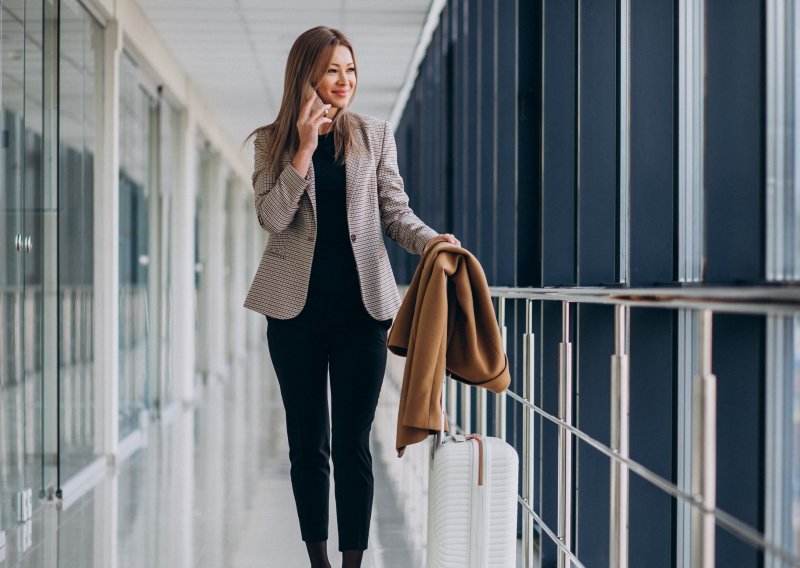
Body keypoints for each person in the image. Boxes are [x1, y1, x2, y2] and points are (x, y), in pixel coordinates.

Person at [243, 25, 459, 568]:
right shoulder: (272, 142)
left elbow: (394, 212)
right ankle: (318, 561)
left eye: (352, 69)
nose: (346, 80)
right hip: (294, 315)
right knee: (307, 443)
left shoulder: (375, 135)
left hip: (363, 313)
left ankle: (354, 563)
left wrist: (431, 239)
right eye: (334, 70)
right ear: (308, 75)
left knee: (354, 444)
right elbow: (272, 217)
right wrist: (305, 148)